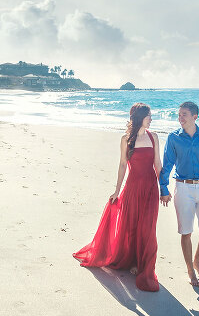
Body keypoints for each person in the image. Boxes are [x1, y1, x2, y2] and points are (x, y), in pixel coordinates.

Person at [73, 103, 170, 292]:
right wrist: (117, 191)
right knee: (131, 226)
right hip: (132, 188)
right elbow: (123, 165)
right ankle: (132, 262)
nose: (151, 119)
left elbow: (158, 164)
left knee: (148, 229)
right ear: (140, 117)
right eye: (149, 116)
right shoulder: (126, 139)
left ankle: (145, 267)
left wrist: (164, 189)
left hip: (150, 189)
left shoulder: (154, 137)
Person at [159, 101, 199, 287]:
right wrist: (164, 188)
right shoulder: (173, 138)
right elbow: (167, 164)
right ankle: (190, 270)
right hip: (183, 188)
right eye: (179, 114)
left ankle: (196, 261)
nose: (180, 118)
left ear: (195, 117)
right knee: (186, 232)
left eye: (184, 114)